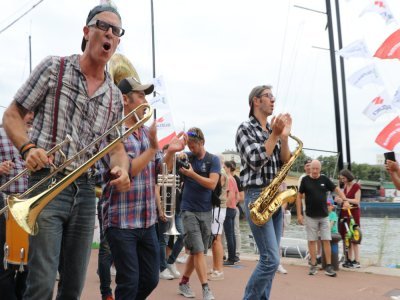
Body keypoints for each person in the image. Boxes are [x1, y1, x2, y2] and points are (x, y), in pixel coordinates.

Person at [2, 4, 132, 299]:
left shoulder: (113, 94)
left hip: (86, 191)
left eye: (116, 31)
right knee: (42, 282)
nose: (110, 33)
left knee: (73, 286)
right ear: (87, 32)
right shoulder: (54, 67)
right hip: (47, 180)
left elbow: (117, 147)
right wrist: (28, 147)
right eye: (103, 26)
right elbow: (11, 115)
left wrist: (122, 167)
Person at [100, 76, 186, 299]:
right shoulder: (114, 130)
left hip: (146, 220)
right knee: (129, 281)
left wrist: (169, 153)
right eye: (140, 96)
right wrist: (154, 148)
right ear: (125, 100)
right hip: (121, 220)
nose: (146, 101)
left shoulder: (147, 132)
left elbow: (159, 169)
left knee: (150, 278)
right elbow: (129, 170)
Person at [235, 85, 292, 300]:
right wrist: (275, 135)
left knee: (269, 259)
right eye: (268, 96)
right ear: (255, 101)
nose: (273, 100)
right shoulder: (244, 129)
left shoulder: (271, 131)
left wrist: (284, 137)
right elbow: (257, 160)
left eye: (273, 96)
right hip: (257, 195)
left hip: (275, 195)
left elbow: (285, 162)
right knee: (271, 260)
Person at [177, 127, 219, 300]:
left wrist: (192, 174)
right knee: (199, 251)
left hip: (206, 211)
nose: (191, 148)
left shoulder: (213, 160)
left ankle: (183, 282)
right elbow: (172, 155)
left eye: (193, 145)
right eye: (189, 145)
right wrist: (179, 151)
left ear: (202, 142)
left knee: (197, 251)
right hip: (188, 210)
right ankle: (206, 288)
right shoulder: (187, 157)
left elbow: (212, 184)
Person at [0, 111, 33, 300]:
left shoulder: (36, 135)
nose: (31, 115)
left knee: (27, 264)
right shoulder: (1, 133)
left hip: (29, 204)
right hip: (5, 203)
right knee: (5, 264)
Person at [296, 159, 348, 277]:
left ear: (320, 169)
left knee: (326, 240)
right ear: (309, 169)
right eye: (312, 168)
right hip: (310, 216)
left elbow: (337, 189)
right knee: (312, 240)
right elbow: (298, 197)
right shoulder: (305, 180)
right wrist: (299, 214)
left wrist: (344, 200)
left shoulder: (324, 179)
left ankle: (329, 266)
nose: (314, 171)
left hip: (324, 215)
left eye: (317, 169)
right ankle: (313, 265)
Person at [336, 169, 361, 268]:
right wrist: (339, 200)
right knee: (347, 237)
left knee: (354, 236)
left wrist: (345, 199)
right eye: (342, 179)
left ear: (348, 176)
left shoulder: (356, 186)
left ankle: (357, 260)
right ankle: (349, 259)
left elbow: (357, 201)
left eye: (344, 178)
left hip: (353, 213)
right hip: (345, 212)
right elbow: (344, 200)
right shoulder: (346, 186)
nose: (343, 181)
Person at [208, 155, 228, 281]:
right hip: (217, 208)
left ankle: (219, 270)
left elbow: (215, 188)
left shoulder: (221, 173)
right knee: (216, 239)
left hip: (218, 208)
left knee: (217, 239)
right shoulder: (222, 173)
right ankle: (216, 268)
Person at [222, 160, 239, 266]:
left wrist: (225, 206)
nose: (223, 168)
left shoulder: (229, 179)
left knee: (229, 235)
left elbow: (232, 195)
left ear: (228, 168)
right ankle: (233, 256)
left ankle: (231, 258)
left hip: (228, 209)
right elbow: (237, 195)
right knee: (231, 234)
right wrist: (234, 205)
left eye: (224, 167)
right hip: (232, 209)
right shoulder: (233, 179)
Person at [229, 160, 244, 261]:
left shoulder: (237, 180)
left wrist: (233, 202)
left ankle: (237, 252)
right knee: (227, 232)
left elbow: (242, 197)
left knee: (235, 231)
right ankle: (228, 252)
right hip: (227, 209)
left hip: (234, 208)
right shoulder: (225, 178)